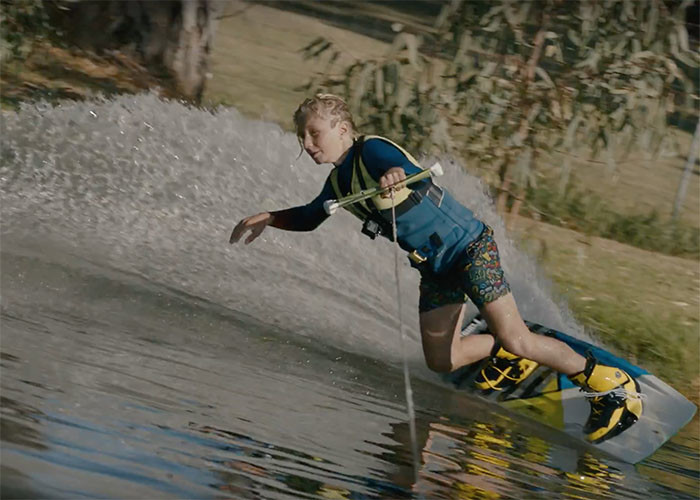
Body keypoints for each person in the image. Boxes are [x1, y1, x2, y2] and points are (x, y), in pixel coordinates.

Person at [229, 93, 642, 444]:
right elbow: (309, 216)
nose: (307, 143)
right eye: (302, 136)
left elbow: (400, 166)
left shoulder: (371, 151)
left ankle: (611, 386)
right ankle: (508, 350)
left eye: (313, 134)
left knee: (518, 338)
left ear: (341, 130)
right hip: (437, 269)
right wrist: (270, 217)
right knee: (442, 362)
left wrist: (395, 176)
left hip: (469, 248)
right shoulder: (339, 185)